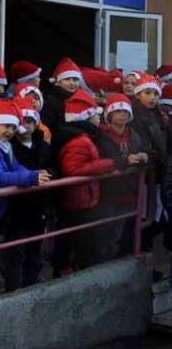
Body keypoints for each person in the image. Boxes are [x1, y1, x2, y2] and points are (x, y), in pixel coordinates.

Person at [53, 90, 116, 270]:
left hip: (80, 197)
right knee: (81, 241)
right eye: (96, 115)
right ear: (87, 117)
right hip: (79, 198)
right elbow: (73, 169)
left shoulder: (84, 136)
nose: (99, 119)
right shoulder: (80, 140)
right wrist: (108, 164)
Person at [2, 95, 53, 292]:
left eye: (30, 121)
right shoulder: (10, 147)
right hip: (16, 206)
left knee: (34, 247)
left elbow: (54, 166)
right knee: (14, 250)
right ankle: (12, 287)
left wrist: (49, 174)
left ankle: (31, 282)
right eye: (22, 122)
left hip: (38, 204)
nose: (26, 126)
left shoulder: (43, 145)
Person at [95, 93, 148, 255]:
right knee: (106, 234)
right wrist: (125, 160)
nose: (122, 114)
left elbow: (145, 150)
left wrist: (145, 156)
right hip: (108, 193)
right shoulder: (101, 135)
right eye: (118, 111)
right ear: (109, 114)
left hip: (130, 191)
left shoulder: (134, 134)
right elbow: (102, 158)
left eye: (125, 112)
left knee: (125, 232)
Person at [130, 74, 168, 253]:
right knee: (146, 219)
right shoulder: (134, 117)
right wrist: (150, 157)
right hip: (145, 178)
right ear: (138, 95)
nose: (152, 97)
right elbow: (140, 145)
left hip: (159, 175)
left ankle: (147, 260)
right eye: (147, 93)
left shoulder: (159, 116)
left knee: (157, 219)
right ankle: (143, 259)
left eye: (155, 93)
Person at [41, 57, 83, 134]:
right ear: (58, 82)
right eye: (67, 79)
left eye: (75, 79)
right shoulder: (52, 102)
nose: (72, 83)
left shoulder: (83, 100)